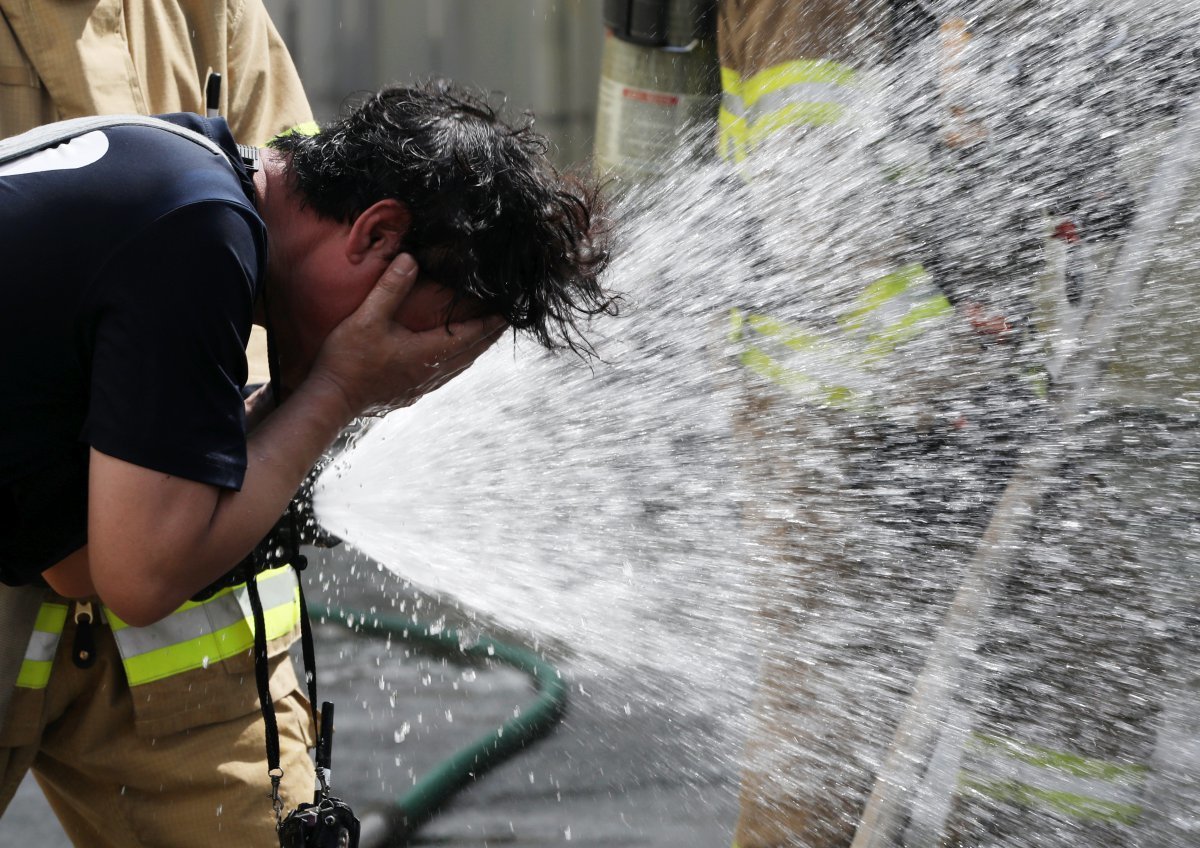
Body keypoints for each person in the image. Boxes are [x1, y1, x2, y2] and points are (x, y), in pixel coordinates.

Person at [0, 80, 614, 847]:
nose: (407, 378)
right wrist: (338, 390)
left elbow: (80, 563)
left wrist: (293, 409)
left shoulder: (180, 176)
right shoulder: (197, 237)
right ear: (376, 236)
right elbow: (140, 579)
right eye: (418, 339)